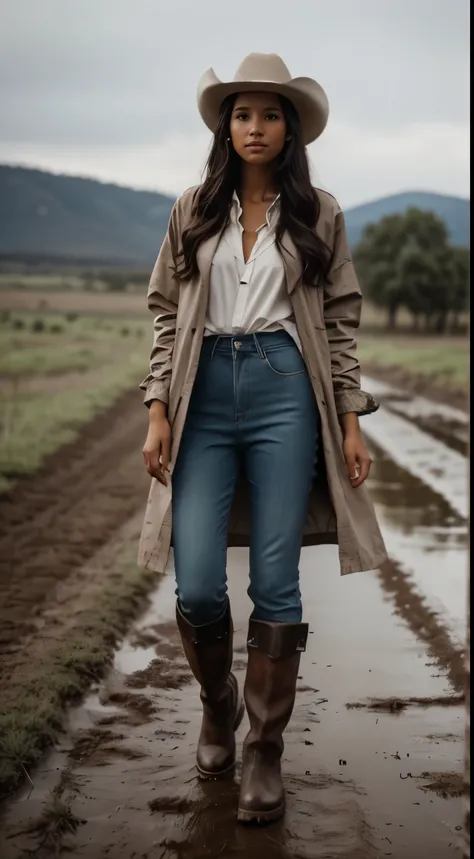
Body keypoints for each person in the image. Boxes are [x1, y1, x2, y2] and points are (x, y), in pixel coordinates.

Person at [139, 53, 387, 824]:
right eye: (242, 114)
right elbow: (163, 313)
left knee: (277, 580)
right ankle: (218, 705)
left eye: (270, 115)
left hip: (285, 391)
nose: (255, 127)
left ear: (290, 130)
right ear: (227, 126)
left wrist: (347, 419)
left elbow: (340, 324)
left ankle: (265, 750)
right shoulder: (192, 209)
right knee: (199, 581)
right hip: (202, 394)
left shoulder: (322, 213)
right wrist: (157, 409)